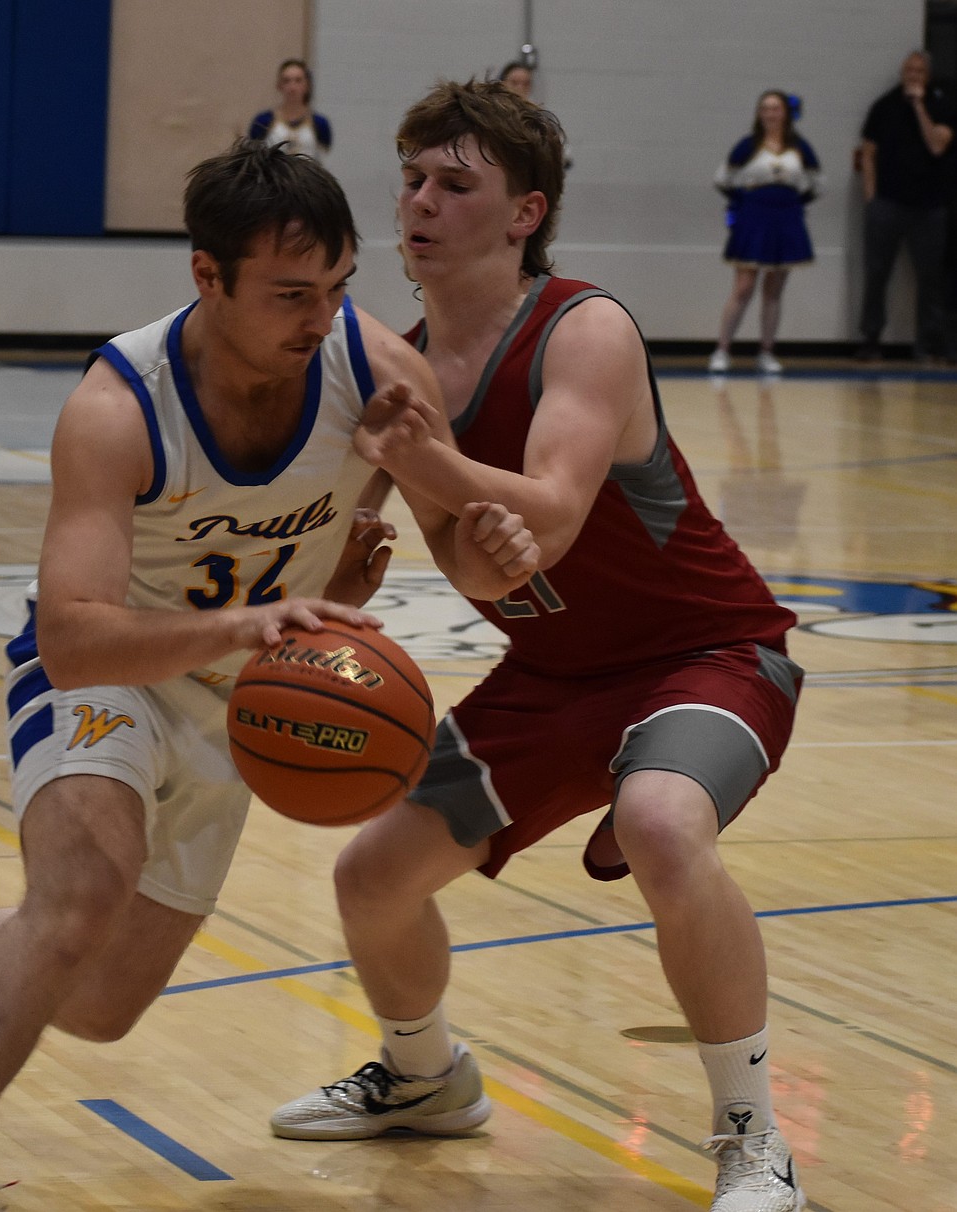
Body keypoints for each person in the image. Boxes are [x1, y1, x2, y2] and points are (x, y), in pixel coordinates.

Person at [0, 139, 540, 1211]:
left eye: (340, 287)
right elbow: (73, 637)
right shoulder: (121, 405)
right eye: (292, 294)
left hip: (242, 709)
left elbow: (467, 555)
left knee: (99, 1001)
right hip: (108, 677)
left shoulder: (378, 374)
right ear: (207, 278)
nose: (323, 319)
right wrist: (252, 623)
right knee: (79, 900)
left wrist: (490, 535)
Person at [269, 79, 808, 1212]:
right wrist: (345, 575)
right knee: (373, 877)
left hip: (706, 655)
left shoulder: (585, 325)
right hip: (555, 677)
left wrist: (425, 462)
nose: (421, 203)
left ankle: (756, 1139)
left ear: (525, 213)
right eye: (411, 179)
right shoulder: (398, 368)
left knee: (663, 824)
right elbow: (481, 569)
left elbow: (551, 513)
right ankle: (426, 1080)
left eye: (456, 184)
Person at [708, 90, 822, 376]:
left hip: (786, 218)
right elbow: (723, 179)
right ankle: (722, 349)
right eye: (765, 108)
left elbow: (817, 183)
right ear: (760, 113)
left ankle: (767, 352)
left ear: (785, 113)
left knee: (774, 290)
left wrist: (793, 204)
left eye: (776, 108)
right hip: (754, 218)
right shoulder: (748, 146)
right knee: (744, 286)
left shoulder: (800, 147)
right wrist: (744, 205)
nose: (771, 113)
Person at [856, 50, 955, 363]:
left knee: (930, 277)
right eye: (908, 70)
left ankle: (927, 343)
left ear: (927, 75)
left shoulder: (943, 104)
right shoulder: (883, 106)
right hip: (887, 204)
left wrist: (919, 107)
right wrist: (871, 198)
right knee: (876, 272)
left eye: (918, 71)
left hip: (929, 207)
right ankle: (871, 338)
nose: (912, 75)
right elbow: (868, 152)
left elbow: (937, 145)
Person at [248, 58, 333, 160]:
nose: (292, 87)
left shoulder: (320, 123)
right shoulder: (263, 121)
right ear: (279, 85)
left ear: (307, 85)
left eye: (298, 80)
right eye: (286, 81)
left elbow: (324, 158)